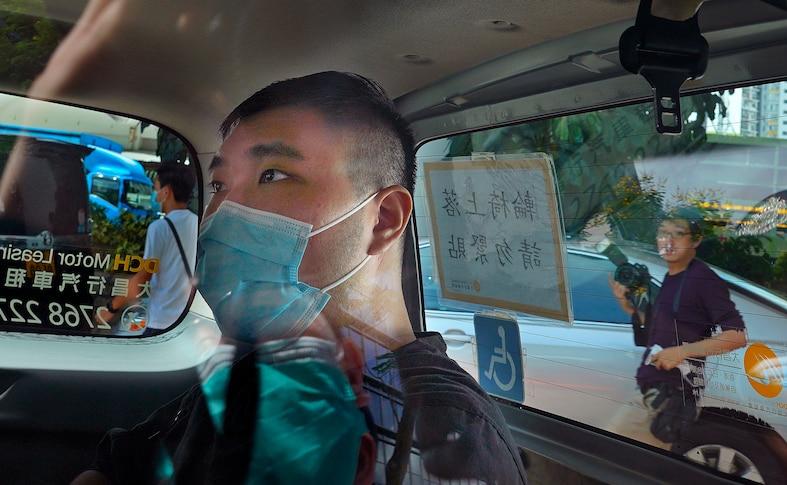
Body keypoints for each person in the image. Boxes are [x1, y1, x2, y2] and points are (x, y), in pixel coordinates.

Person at [72, 71, 527, 484]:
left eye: (273, 174)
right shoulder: (263, 365)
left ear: (383, 219)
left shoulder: (439, 431)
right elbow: (120, 461)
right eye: (219, 186)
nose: (222, 216)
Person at [607, 205, 747, 450]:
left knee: (609, 452)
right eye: (662, 232)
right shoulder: (673, 277)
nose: (667, 240)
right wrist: (627, 306)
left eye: (677, 233)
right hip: (657, 392)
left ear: (696, 240)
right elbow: (659, 332)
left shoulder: (702, 280)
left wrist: (682, 352)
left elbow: (736, 336)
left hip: (667, 395)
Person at [97, 161, 197, 334]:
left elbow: (143, 276)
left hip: (160, 320)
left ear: (166, 192)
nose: (154, 194)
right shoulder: (197, 223)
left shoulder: (160, 228)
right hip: (185, 319)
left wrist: (111, 309)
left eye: (155, 188)